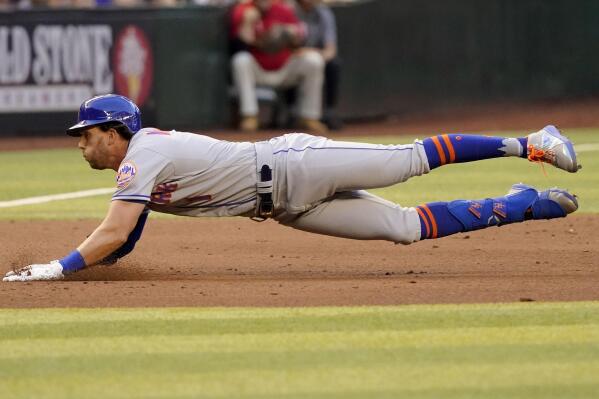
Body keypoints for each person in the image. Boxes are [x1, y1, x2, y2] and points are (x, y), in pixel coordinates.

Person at [3, 94, 581, 281]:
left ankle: (531, 142)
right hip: (282, 206)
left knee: (407, 160)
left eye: (88, 135)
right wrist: (102, 266)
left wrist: (56, 269)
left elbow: (114, 230)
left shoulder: (143, 152)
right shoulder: (142, 167)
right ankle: (522, 205)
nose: (82, 145)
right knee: (403, 230)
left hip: (295, 166)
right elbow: (125, 240)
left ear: (115, 132)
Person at [230, 0, 328, 134]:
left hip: (284, 70)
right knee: (240, 60)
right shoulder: (244, 10)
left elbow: (299, 39)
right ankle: (249, 115)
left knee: (314, 61)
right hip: (258, 70)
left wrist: (289, 33)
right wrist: (247, 23)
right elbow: (239, 44)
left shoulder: (282, 10)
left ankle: (309, 116)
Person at [294, 0, 342, 129]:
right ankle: (291, 109)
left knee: (332, 64)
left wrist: (314, 55)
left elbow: (330, 51)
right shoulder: (289, 9)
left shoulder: (324, 13)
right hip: (292, 59)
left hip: (315, 57)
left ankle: (329, 111)